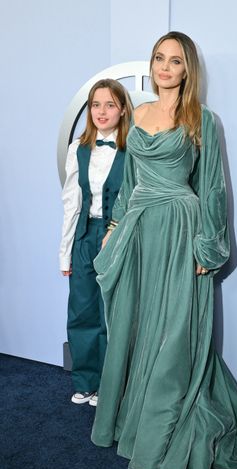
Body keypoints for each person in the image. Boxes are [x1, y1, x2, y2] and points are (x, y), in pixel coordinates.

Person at [91, 32, 237, 469]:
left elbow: (212, 187)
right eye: (159, 58)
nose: (164, 67)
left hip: (179, 229)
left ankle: (164, 427)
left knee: (175, 334)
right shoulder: (135, 115)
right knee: (136, 324)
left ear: (187, 69)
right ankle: (130, 418)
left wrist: (207, 247)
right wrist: (115, 227)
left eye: (175, 61)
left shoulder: (202, 120)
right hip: (140, 229)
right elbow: (130, 177)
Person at [59, 79, 132, 406]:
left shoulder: (133, 147)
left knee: (115, 313)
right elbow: (71, 203)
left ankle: (112, 384)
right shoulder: (79, 148)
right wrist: (65, 253)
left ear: (123, 109)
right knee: (82, 310)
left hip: (119, 235)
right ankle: (86, 380)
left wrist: (117, 232)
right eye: (96, 105)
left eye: (110, 105)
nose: (102, 112)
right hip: (86, 235)